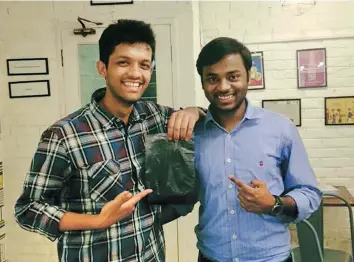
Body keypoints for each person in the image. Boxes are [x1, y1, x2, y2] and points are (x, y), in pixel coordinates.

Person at [14, 19, 205, 262]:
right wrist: (98, 220)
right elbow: (28, 209)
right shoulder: (64, 135)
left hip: (151, 255)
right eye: (123, 63)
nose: (135, 73)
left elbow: (202, 118)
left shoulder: (154, 117)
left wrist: (193, 110)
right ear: (103, 68)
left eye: (144, 65)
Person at [193, 37, 322, 262]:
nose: (223, 87)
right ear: (203, 82)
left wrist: (274, 203)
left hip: (270, 257)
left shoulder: (280, 129)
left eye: (233, 77)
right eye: (212, 78)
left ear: (249, 76)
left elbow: (309, 193)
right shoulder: (194, 134)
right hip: (211, 256)